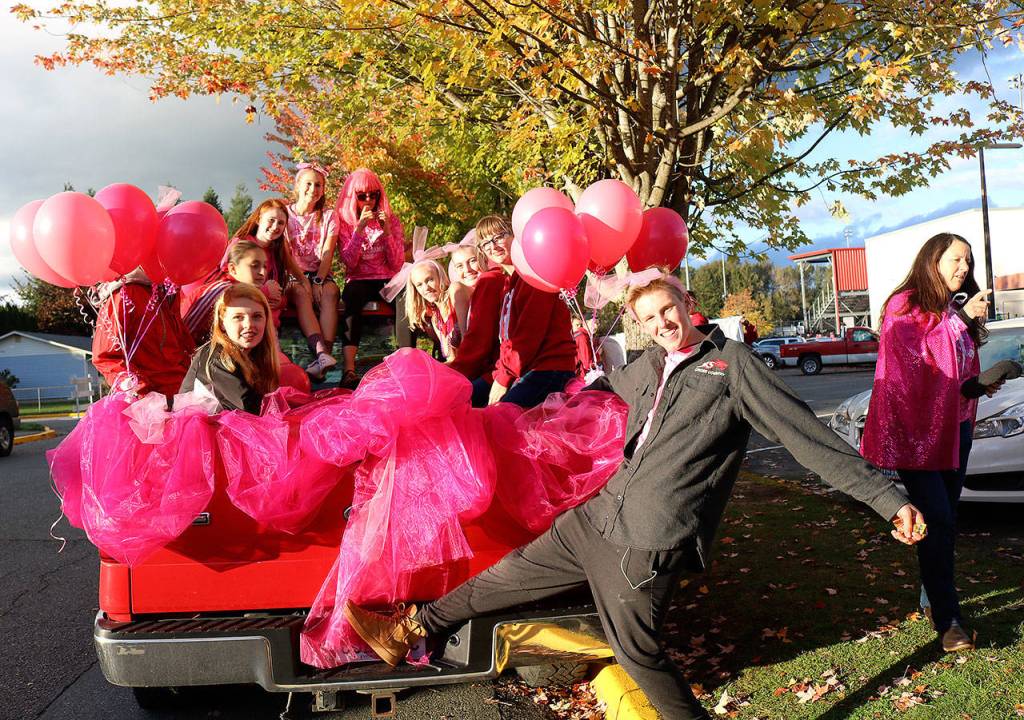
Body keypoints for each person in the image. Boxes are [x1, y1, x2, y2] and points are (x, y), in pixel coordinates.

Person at [343, 274, 927, 720]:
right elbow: (593, 388)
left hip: (646, 540)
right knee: (507, 575)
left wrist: (885, 497)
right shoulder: (647, 364)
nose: (662, 322)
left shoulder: (732, 366)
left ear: (687, 302)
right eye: (649, 317)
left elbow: (807, 437)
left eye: (668, 309)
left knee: (639, 654)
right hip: (595, 518)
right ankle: (411, 629)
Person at [860, 232, 1002, 653]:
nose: (964, 268)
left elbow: (952, 375)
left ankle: (930, 596)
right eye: (957, 259)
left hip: (954, 429)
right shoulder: (905, 304)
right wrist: (960, 319)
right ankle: (949, 620)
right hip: (918, 435)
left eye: (969, 262)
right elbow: (912, 366)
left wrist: (979, 386)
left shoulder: (951, 309)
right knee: (937, 520)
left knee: (946, 520)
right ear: (933, 260)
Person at [472, 215, 576, 408]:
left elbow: (529, 335)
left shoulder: (533, 275)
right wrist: (496, 376)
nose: (492, 246)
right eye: (485, 243)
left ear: (515, 235)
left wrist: (503, 379)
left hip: (549, 368)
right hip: (523, 368)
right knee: (466, 398)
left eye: (499, 236)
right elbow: (507, 343)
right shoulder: (508, 286)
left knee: (498, 421)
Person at [233, 199, 335, 380]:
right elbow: (229, 286)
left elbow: (296, 280)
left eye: (281, 223)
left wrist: (286, 298)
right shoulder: (240, 245)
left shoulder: (278, 249)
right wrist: (264, 293)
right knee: (273, 369)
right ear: (258, 219)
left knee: (300, 293)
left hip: (271, 313)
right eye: (271, 220)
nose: (275, 226)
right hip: (251, 318)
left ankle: (321, 353)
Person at [336, 168, 406, 389]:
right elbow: (349, 262)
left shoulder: (390, 221)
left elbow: (397, 263)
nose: (368, 200)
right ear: (352, 197)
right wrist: (359, 230)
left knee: (406, 299)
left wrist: (386, 233)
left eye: (373, 195)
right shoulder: (345, 223)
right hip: (359, 279)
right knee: (351, 300)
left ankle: (407, 364)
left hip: (386, 277)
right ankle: (349, 369)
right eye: (362, 196)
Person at [92, 268, 195, 397]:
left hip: (181, 396)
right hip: (149, 404)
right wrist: (139, 391)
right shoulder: (127, 293)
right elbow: (105, 356)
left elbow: (180, 346)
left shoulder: (167, 290)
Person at [180, 283, 280, 414]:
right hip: (202, 430)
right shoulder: (217, 357)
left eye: (256, 316)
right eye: (238, 317)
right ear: (222, 322)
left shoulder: (255, 354)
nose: (248, 325)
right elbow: (249, 411)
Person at [286, 164, 341, 379]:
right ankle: (320, 352)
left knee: (331, 293)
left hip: (319, 272)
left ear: (324, 189)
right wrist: (304, 281)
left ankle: (324, 359)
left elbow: (328, 251)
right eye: (308, 183)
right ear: (298, 185)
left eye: (318, 185)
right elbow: (286, 254)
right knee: (300, 293)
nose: (313, 189)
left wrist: (317, 280)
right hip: (293, 272)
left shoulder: (328, 216)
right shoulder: (286, 214)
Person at [181, 241, 281, 345]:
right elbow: (185, 331)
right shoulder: (220, 292)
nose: (262, 273)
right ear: (233, 269)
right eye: (255, 266)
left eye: (265, 266)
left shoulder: (244, 294)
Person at [404, 260, 463, 361]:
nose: (426, 288)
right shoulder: (436, 320)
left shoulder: (455, 293)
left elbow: (469, 339)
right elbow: (452, 358)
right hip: (463, 369)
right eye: (419, 285)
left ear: (441, 277)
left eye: (430, 280)